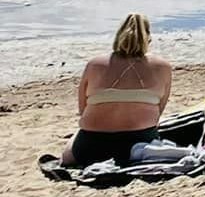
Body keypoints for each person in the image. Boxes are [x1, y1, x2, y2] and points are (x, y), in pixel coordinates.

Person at [62, 14, 173, 168]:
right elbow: (158, 113)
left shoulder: (95, 64)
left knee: (68, 155)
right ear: (148, 38)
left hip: (91, 146)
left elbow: (83, 109)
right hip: (138, 146)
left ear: (118, 36)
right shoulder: (163, 67)